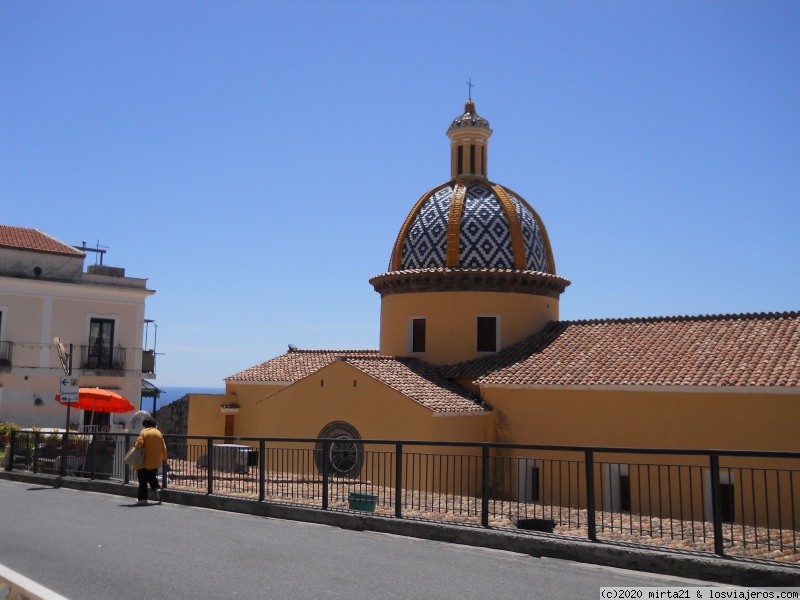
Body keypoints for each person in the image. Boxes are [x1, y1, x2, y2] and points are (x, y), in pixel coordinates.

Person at [134, 416, 167, 505]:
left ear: (145, 425)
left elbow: (138, 444)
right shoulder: (159, 433)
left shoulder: (144, 432)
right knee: (151, 477)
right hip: (155, 461)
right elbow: (163, 448)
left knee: (142, 481)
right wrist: (164, 459)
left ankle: (142, 499)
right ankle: (157, 489)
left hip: (143, 461)